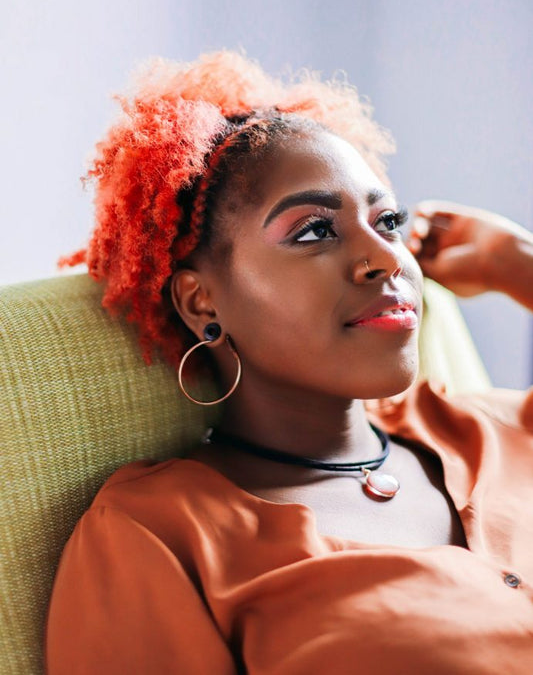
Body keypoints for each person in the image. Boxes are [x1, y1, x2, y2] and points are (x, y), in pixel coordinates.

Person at [45, 51, 533, 675]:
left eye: (387, 221)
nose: (383, 259)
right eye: (314, 232)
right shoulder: (158, 533)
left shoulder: (494, 428)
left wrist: (516, 264)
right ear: (202, 301)